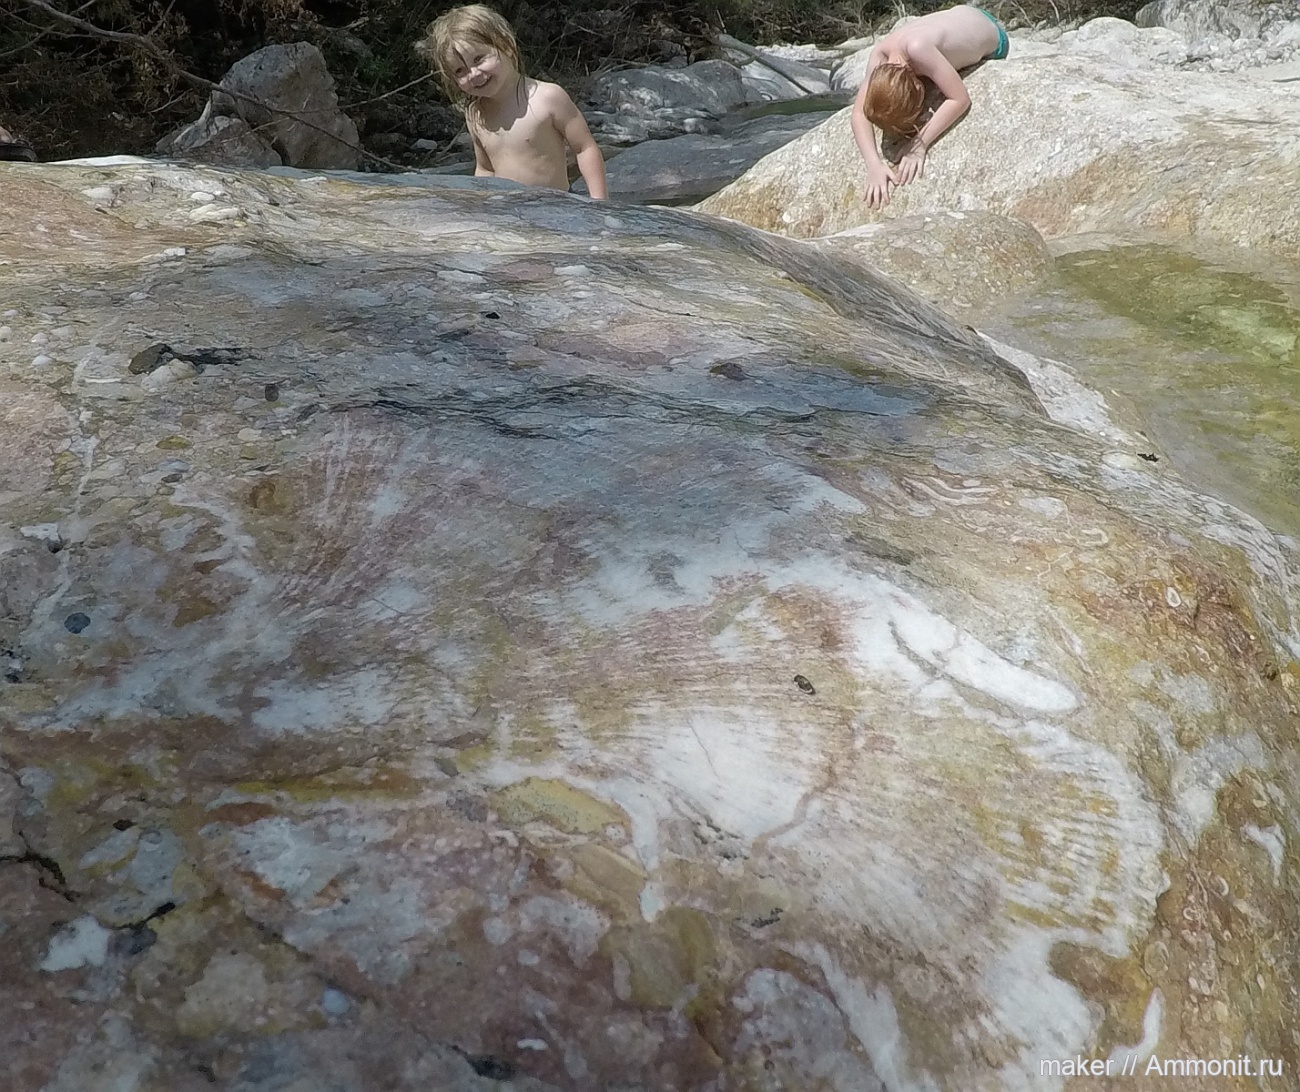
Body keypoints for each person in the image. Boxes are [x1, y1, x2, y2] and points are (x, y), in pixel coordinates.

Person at [418, 4, 607, 199]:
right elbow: (485, 169)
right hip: (506, 209)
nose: (473, 74)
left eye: (479, 59)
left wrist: (599, 203)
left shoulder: (547, 98)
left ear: (506, 45)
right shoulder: (475, 113)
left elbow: (585, 148)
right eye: (460, 71)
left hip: (555, 206)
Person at [850, 5, 1009, 209]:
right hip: (963, 13)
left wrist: (918, 145)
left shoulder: (918, 50)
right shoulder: (880, 56)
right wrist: (873, 164)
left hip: (996, 37)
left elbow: (960, 99)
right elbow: (858, 113)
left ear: (918, 87)